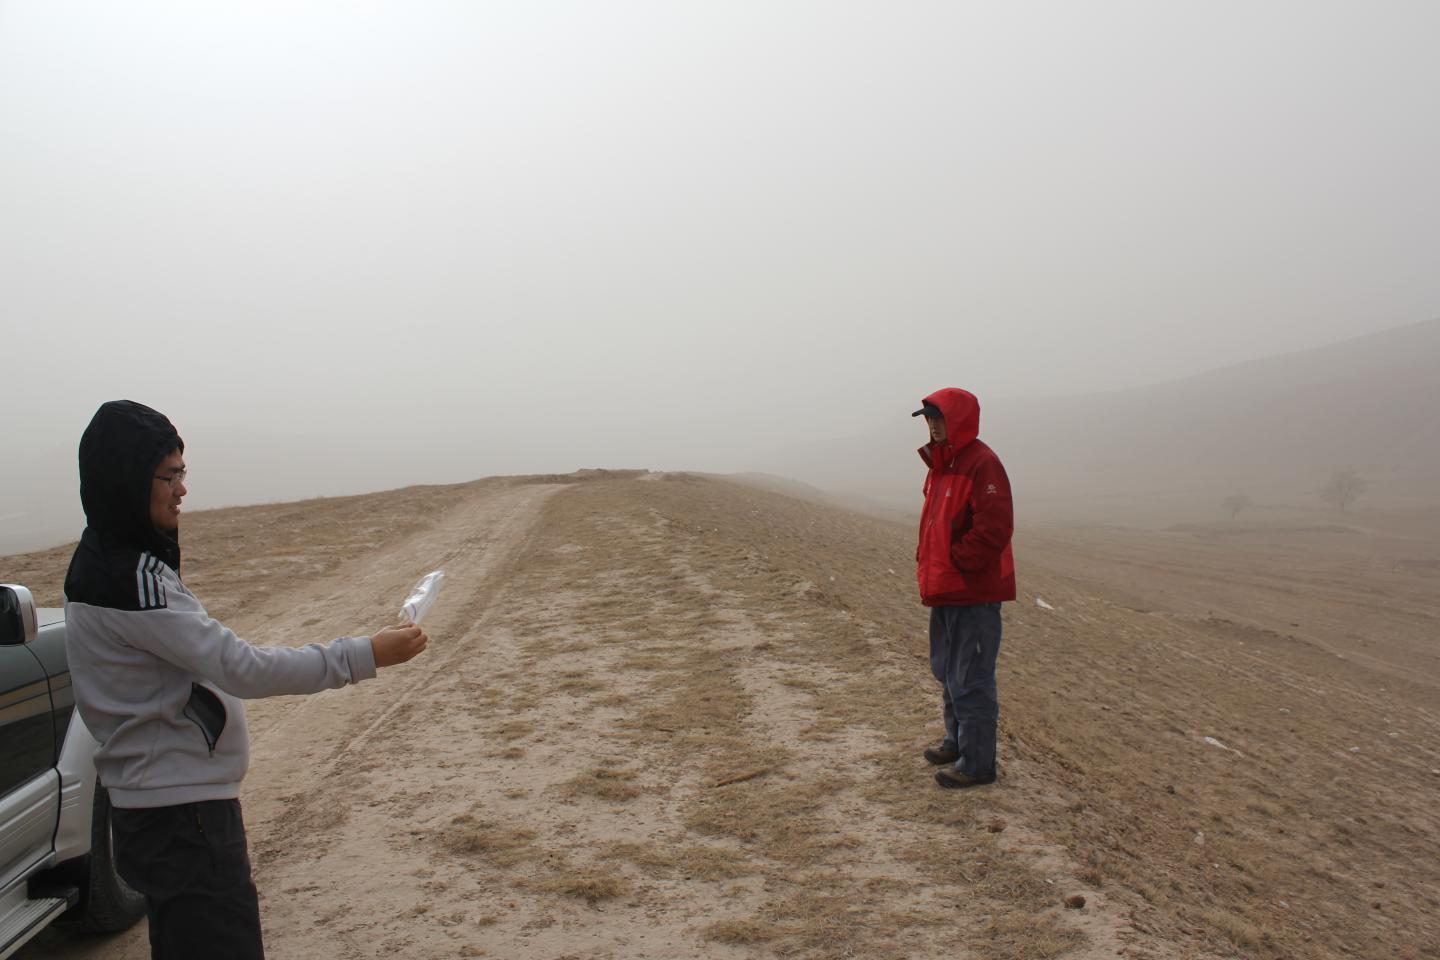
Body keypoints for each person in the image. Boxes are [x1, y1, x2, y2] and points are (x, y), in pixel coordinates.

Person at [63, 400, 428, 959]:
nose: (182, 489)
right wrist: (364, 654)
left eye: (182, 472)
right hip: (182, 818)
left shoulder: (114, 559)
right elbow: (242, 667)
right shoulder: (128, 579)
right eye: (168, 475)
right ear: (126, 481)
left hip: (164, 812)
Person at [912, 388, 1015, 789]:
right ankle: (956, 742)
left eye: (939, 418)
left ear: (958, 421)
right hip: (947, 590)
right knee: (948, 672)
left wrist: (956, 562)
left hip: (972, 593)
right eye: (928, 419)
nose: (933, 426)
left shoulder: (982, 464)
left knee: (971, 677)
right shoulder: (941, 465)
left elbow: (994, 528)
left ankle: (977, 764)